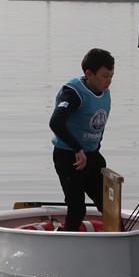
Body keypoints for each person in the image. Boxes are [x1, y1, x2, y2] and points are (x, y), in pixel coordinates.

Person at [49, 48, 114, 232]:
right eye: (104, 76)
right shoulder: (73, 93)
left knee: (109, 205)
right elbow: (55, 122)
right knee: (77, 209)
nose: (108, 81)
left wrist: (94, 150)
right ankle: (67, 241)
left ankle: (119, 241)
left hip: (91, 156)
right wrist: (78, 149)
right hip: (70, 157)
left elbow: (98, 126)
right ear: (89, 74)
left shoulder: (104, 91)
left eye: (111, 76)